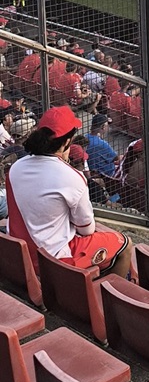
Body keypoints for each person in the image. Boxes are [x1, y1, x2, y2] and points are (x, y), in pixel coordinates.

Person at [7, 106, 132, 277]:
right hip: (52, 259)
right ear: (67, 142)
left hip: (19, 253)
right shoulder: (72, 177)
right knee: (124, 243)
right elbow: (87, 230)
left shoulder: (16, 167)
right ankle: (113, 291)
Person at [86, 113, 118, 178]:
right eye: (107, 124)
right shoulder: (102, 144)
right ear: (103, 127)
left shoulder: (85, 137)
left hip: (92, 171)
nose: (108, 126)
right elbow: (116, 158)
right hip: (107, 175)